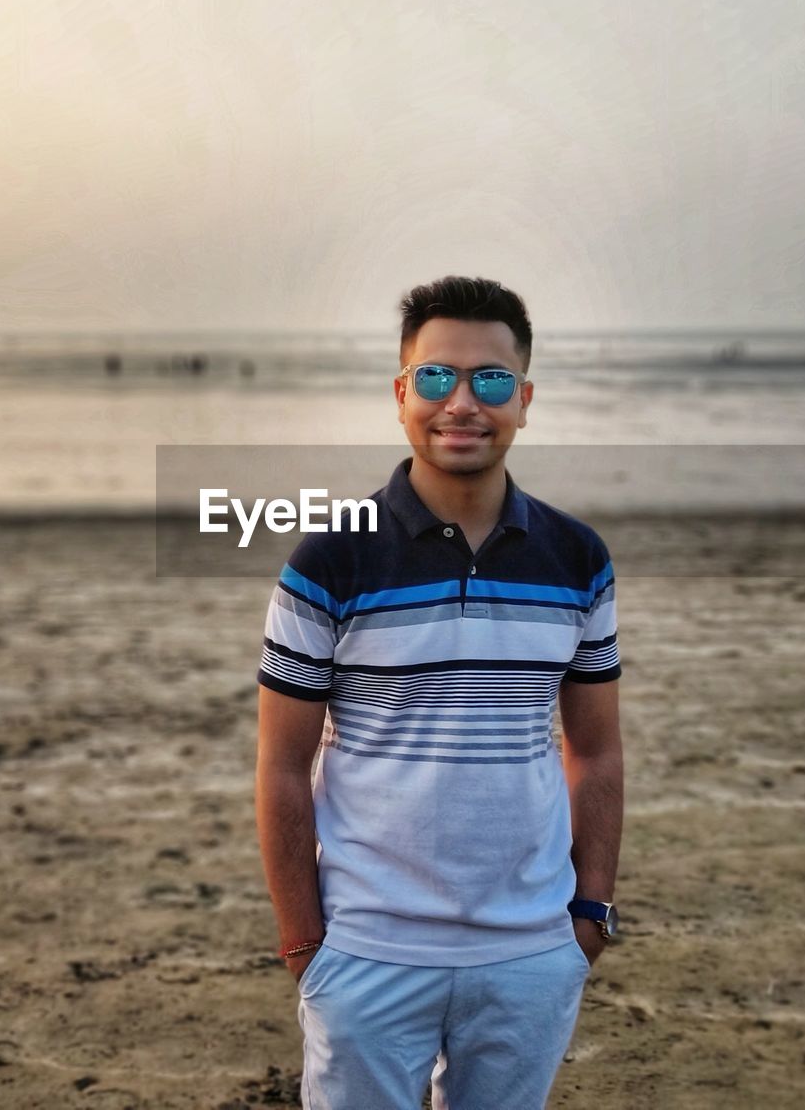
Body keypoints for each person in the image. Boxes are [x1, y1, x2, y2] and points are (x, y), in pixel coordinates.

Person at [254, 276, 623, 1110]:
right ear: (400, 394)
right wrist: (306, 942)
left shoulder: (577, 557)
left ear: (524, 400)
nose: (462, 401)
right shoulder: (329, 560)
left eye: (490, 379)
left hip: (530, 949)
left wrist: (589, 911)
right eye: (435, 377)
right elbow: (282, 765)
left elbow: (596, 748)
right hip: (368, 949)